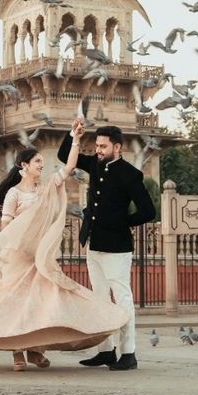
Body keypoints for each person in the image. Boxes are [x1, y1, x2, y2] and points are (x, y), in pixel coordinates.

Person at [0, 129, 128, 371]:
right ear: (25, 165)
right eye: (38, 161)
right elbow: (6, 227)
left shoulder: (46, 188)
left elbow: (69, 166)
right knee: (13, 305)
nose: (42, 165)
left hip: (40, 257)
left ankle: (35, 350)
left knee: (41, 305)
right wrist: (5, 255)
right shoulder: (14, 193)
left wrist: (75, 139)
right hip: (19, 257)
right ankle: (17, 353)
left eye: (43, 161)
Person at [57, 120, 156, 371]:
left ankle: (129, 353)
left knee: (122, 298)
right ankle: (105, 351)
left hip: (117, 246)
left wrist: (122, 223)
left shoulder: (130, 174)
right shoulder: (94, 164)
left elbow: (148, 211)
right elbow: (63, 155)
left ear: (117, 147)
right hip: (95, 242)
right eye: (97, 145)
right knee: (100, 298)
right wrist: (74, 136)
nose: (98, 150)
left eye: (103, 146)